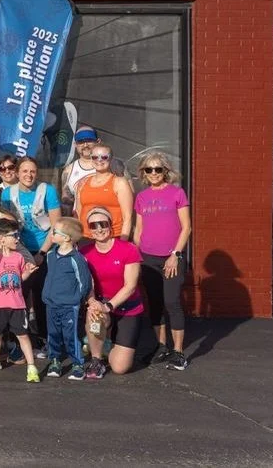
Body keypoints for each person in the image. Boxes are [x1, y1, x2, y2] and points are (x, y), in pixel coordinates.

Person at [134, 152, 191, 371]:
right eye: (149, 169)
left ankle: (178, 351)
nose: (154, 173)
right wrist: (137, 254)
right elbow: (139, 229)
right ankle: (161, 347)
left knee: (172, 302)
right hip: (148, 257)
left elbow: (186, 227)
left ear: (165, 171)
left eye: (158, 169)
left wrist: (175, 255)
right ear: (144, 173)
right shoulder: (142, 197)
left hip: (172, 257)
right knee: (155, 303)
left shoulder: (177, 193)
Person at [1, 156, 61, 347]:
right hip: (19, 249)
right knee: (17, 293)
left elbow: (56, 226)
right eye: (25, 171)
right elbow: (6, 226)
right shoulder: (7, 194)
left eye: (32, 171)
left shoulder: (47, 190)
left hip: (44, 249)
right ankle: (18, 337)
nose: (29, 175)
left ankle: (45, 336)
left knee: (43, 294)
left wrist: (41, 254)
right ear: (17, 173)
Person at [81, 207, 144, 378]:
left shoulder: (129, 249)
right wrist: (92, 301)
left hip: (127, 308)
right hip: (101, 305)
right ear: (89, 230)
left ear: (110, 226)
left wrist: (108, 306)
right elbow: (87, 283)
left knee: (119, 368)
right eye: (93, 225)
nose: (99, 229)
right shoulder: (84, 253)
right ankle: (96, 359)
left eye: (103, 224)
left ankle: (108, 342)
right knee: (94, 314)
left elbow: (130, 286)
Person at [0, 218, 41, 383]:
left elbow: (19, 278)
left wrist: (28, 272)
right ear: (1, 239)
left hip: (17, 304)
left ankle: (31, 367)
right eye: (14, 235)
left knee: (22, 335)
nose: (17, 238)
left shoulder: (18, 256)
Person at [41, 217, 92, 380]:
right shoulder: (50, 255)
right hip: (51, 304)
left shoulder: (77, 259)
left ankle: (78, 363)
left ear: (66, 238)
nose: (51, 234)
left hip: (70, 306)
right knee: (53, 334)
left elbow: (84, 282)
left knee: (71, 336)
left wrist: (76, 298)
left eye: (54, 232)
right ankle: (55, 361)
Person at [59, 126, 128, 213]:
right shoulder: (68, 171)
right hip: (81, 219)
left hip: (113, 219)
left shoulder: (115, 165)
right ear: (75, 144)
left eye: (89, 140)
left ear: (98, 141)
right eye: (80, 141)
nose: (85, 145)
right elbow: (67, 204)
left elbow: (129, 197)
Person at [75, 143, 133, 238]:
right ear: (91, 159)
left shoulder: (119, 182)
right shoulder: (83, 183)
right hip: (86, 237)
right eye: (95, 157)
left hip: (113, 237)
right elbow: (78, 213)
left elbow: (128, 218)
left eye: (104, 157)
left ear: (110, 159)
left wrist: (123, 243)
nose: (99, 160)